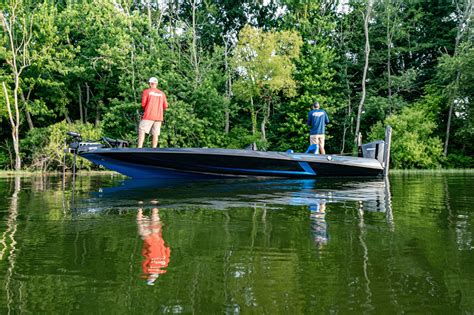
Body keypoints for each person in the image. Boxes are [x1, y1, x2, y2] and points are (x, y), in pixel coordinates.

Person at [137, 208, 171, 285]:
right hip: (149, 241)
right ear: (150, 276)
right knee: (141, 228)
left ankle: (154, 205)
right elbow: (144, 254)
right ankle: (140, 209)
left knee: (155, 220)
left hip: (158, 240)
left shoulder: (164, 264)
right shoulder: (147, 270)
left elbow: (168, 249)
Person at [138, 77, 168, 148]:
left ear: (150, 84)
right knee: (155, 133)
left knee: (142, 129)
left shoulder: (146, 91)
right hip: (159, 117)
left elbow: (143, 104)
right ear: (156, 84)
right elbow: (166, 106)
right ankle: (154, 148)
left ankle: (139, 148)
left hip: (149, 115)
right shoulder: (162, 93)